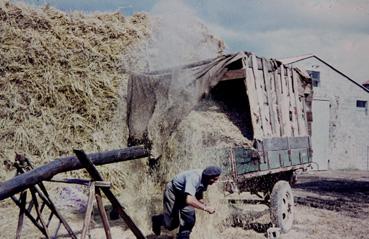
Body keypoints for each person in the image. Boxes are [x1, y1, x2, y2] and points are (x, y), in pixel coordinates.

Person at [152, 166, 222, 239]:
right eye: (215, 179)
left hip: (185, 194)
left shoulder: (206, 179)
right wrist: (205, 208)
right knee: (171, 224)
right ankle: (157, 220)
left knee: (189, 218)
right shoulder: (195, 178)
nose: (216, 181)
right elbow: (189, 200)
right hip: (173, 192)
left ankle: (183, 237)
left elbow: (199, 190)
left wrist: (201, 202)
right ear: (209, 177)